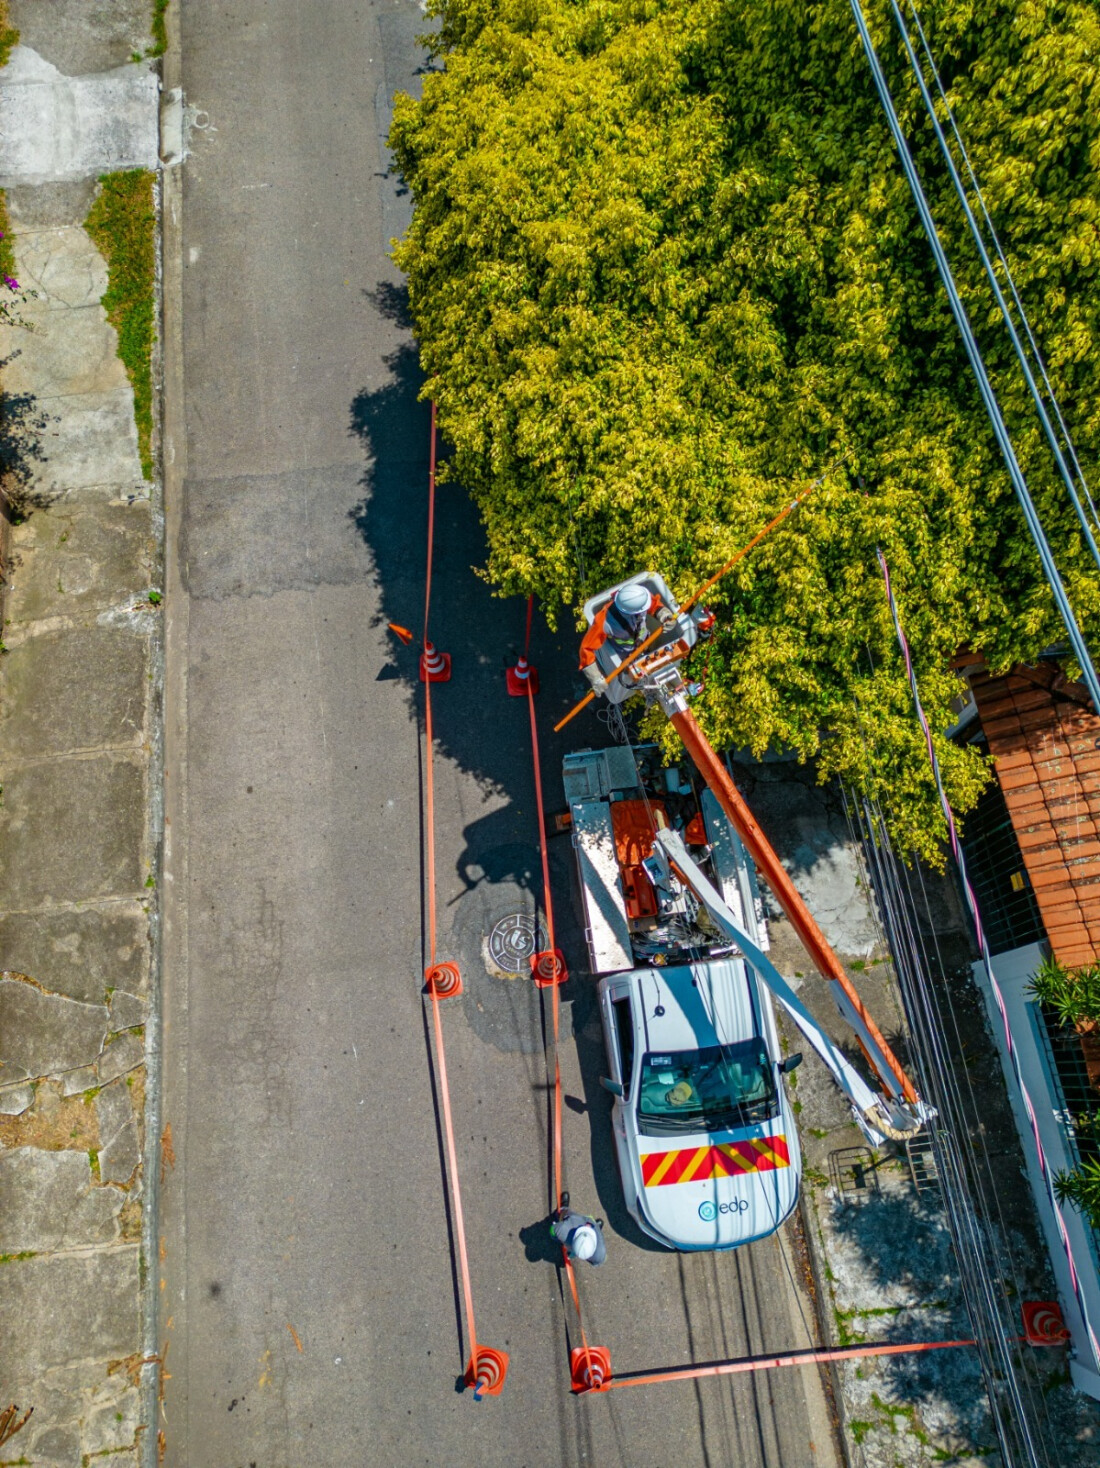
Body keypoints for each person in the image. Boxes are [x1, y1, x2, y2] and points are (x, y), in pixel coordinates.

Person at [551, 1193, 607, 1266]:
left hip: (568, 1231)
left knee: (566, 1214)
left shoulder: (564, 1228)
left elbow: (552, 1230)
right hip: (587, 1249)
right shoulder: (599, 1255)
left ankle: (563, 1208)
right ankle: (572, 1252)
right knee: (595, 1227)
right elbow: (596, 1263)